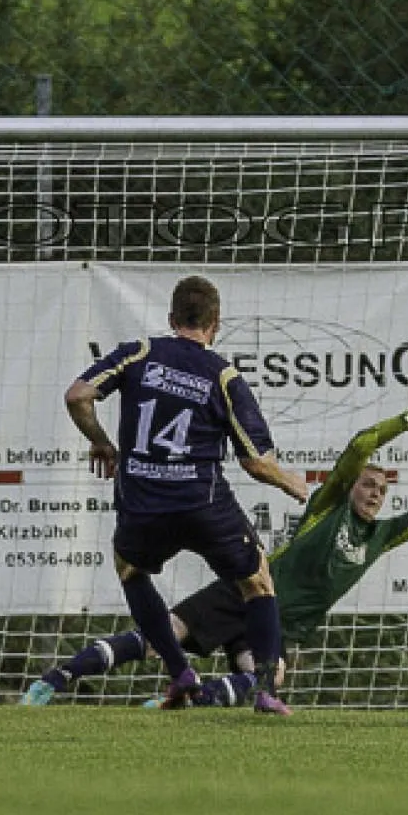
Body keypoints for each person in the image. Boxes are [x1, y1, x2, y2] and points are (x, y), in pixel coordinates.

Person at [22, 376, 408, 709]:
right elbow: (361, 445)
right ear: (351, 486)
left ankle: (179, 704)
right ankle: (57, 678)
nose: (375, 492)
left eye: (382, 489)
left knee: (268, 676)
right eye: (368, 484)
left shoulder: (382, 535)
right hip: (248, 591)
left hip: (279, 625)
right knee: (160, 641)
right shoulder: (328, 505)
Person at [46, 274, 307, 715]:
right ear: (215, 324)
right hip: (202, 505)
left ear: (171, 319)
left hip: (145, 503)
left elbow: (77, 397)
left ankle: (179, 670)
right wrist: (290, 483)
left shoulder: (140, 353)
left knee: (130, 569)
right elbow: (255, 462)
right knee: (258, 580)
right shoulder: (223, 375)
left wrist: (102, 442)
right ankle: (265, 691)